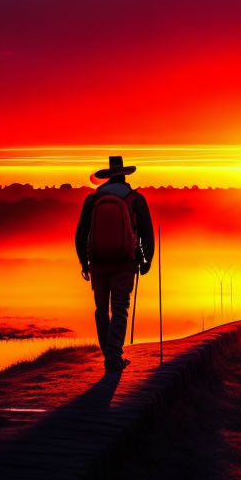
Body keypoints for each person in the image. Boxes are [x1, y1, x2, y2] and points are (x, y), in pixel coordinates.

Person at [75, 156, 154, 372]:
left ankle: (108, 355)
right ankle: (113, 356)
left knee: (101, 309)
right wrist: (147, 259)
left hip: (98, 262)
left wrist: (84, 262)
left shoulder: (92, 200)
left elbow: (81, 234)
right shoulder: (136, 199)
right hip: (125, 262)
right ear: (124, 175)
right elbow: (147, 232)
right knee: (120, 308)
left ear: (108, 176)